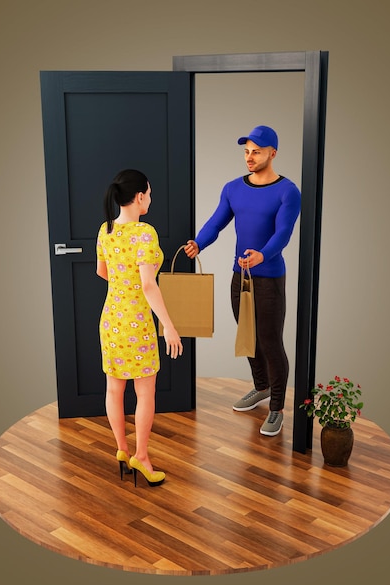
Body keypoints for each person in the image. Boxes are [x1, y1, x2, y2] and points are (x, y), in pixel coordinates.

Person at [184, 125, 301, 436]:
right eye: (247, 152)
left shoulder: (287, 191)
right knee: (248, 337)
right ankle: (261, 387)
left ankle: (276, 407)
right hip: (240, 276)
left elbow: (284, 233)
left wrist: (263, 255)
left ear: (272, 154)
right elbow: (216, 222)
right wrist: (199, 242)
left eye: (257, 152)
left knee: (270, 341)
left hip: (269, 277)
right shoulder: (233, 188)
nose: (250, 158)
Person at [96, 169, 183, 486]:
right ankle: (141, 457)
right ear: (140, 196)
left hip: (111, 318)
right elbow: (148, 285)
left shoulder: (104, 231)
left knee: (113, 388)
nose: (150, 197)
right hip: (138, 323)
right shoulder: (145, 232)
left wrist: (123, 286)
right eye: (149, 192)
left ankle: (122, 451)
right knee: (145, 391)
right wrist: (169, 326)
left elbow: (102, 272)